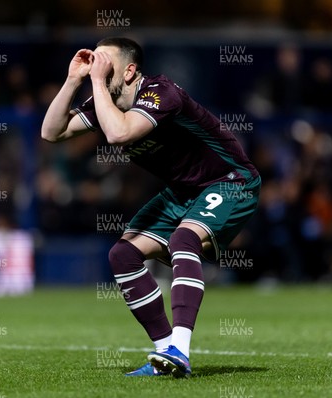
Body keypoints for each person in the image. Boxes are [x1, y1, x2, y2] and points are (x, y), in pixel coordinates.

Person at [41, 37, 260, 378]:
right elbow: (51, 132)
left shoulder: (160, 93)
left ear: (129, 71)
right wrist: (73, 80)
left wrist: (96, 82)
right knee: (122, 255)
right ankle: (164, 354)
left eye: (105, 62)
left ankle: (181, 350)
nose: (97, 66)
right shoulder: (107, 101)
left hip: (229, 181)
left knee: (183, 241)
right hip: (183, 191)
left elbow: (119, 134)